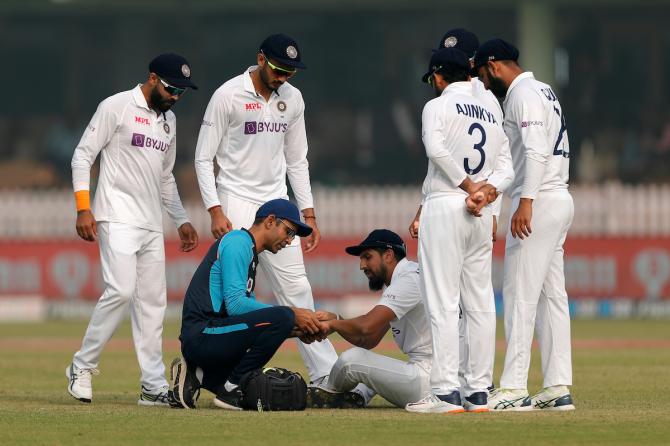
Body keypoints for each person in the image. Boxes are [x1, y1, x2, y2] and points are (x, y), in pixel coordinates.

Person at [194, 33, 338, 385]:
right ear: (260, 59)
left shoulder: (294, 98)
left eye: (290, 71)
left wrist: (309, 214)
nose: (283, 77)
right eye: (277, 68)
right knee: (236, 295)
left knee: (298, 288)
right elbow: (202, 157)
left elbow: (297, 160)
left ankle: (326, 376)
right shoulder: (227, 95)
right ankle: (219, 372)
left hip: (277, 203)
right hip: (236, 200)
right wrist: (214, 209)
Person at [66, 53, 199, 405]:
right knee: (121, 291)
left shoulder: (169, 120)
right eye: (172, 88)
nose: (175, 97)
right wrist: (83, 208)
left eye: (182, 92)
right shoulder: (117, 106)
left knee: (152, 304)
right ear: (153, 78)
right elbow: (82, 155)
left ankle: (152, 386)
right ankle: (82, 365)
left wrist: (181, 219)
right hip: (116, 215)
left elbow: (165, 177)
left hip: (150, 222)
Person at [405, 48, 514, 414]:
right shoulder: (489, 110)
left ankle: (446, 392)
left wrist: (469, 188)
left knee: (443, 302)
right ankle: (478, 391)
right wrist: (486, 192)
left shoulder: (436, 107)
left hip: (447, 203)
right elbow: (507, 168)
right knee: (480, 303)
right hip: (480, 213)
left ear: (438, 77)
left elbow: (435, 150)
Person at [474, 39, 575, 411]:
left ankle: (515, 387)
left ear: (495, 65)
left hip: (541, 198)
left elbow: (534, 150)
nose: (483, 84)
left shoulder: (521, 94)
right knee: (551, 298)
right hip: (557, 196)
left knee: (519, 294)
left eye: (483, 75)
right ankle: (557, 386)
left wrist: (526, 201)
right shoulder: (543, 89)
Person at [169, 199, 326, 410]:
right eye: (289, 232)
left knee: (257, 392)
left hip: (215, 337)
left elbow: (250, 319)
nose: (290, 241)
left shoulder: (249, 250)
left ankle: (197, 374)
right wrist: (291, 315)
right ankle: (231, 389)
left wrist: (295, 329)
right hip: (202, 334)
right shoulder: (238, 241)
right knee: (285, 316)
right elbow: (235, 305)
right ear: (270, 221)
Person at [307, 230, 432, 409]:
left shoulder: (409, 280)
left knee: (351, 360)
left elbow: (366, 326)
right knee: (368, 371)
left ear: (388, 255)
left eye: (367, 257)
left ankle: (326, 392)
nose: (361, 265)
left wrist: (333, 323)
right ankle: (356, 396)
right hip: (437, 376)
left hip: (429, 382)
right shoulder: (407, 277)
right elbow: (368, 339)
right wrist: (338, 321)